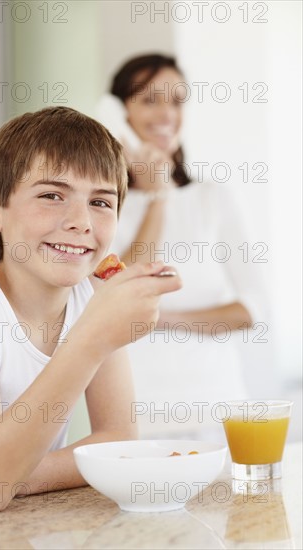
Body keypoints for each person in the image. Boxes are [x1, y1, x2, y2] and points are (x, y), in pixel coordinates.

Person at [0, 106, 181, 511]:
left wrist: (4, 476)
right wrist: (93, 338)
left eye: (101, 202)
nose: (81, 221)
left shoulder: (94, 298)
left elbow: (118, 441)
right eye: (51, 195)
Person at [97, 54, 264, 439]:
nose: (166, 114)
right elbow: (116, 292)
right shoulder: (103, 205)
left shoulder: (212, 197)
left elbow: (251, 308)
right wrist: (157, 195)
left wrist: (163, 319)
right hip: (139, 409)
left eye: (176, 101)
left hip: (220, 406)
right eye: (150, 99)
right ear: (120, 112)